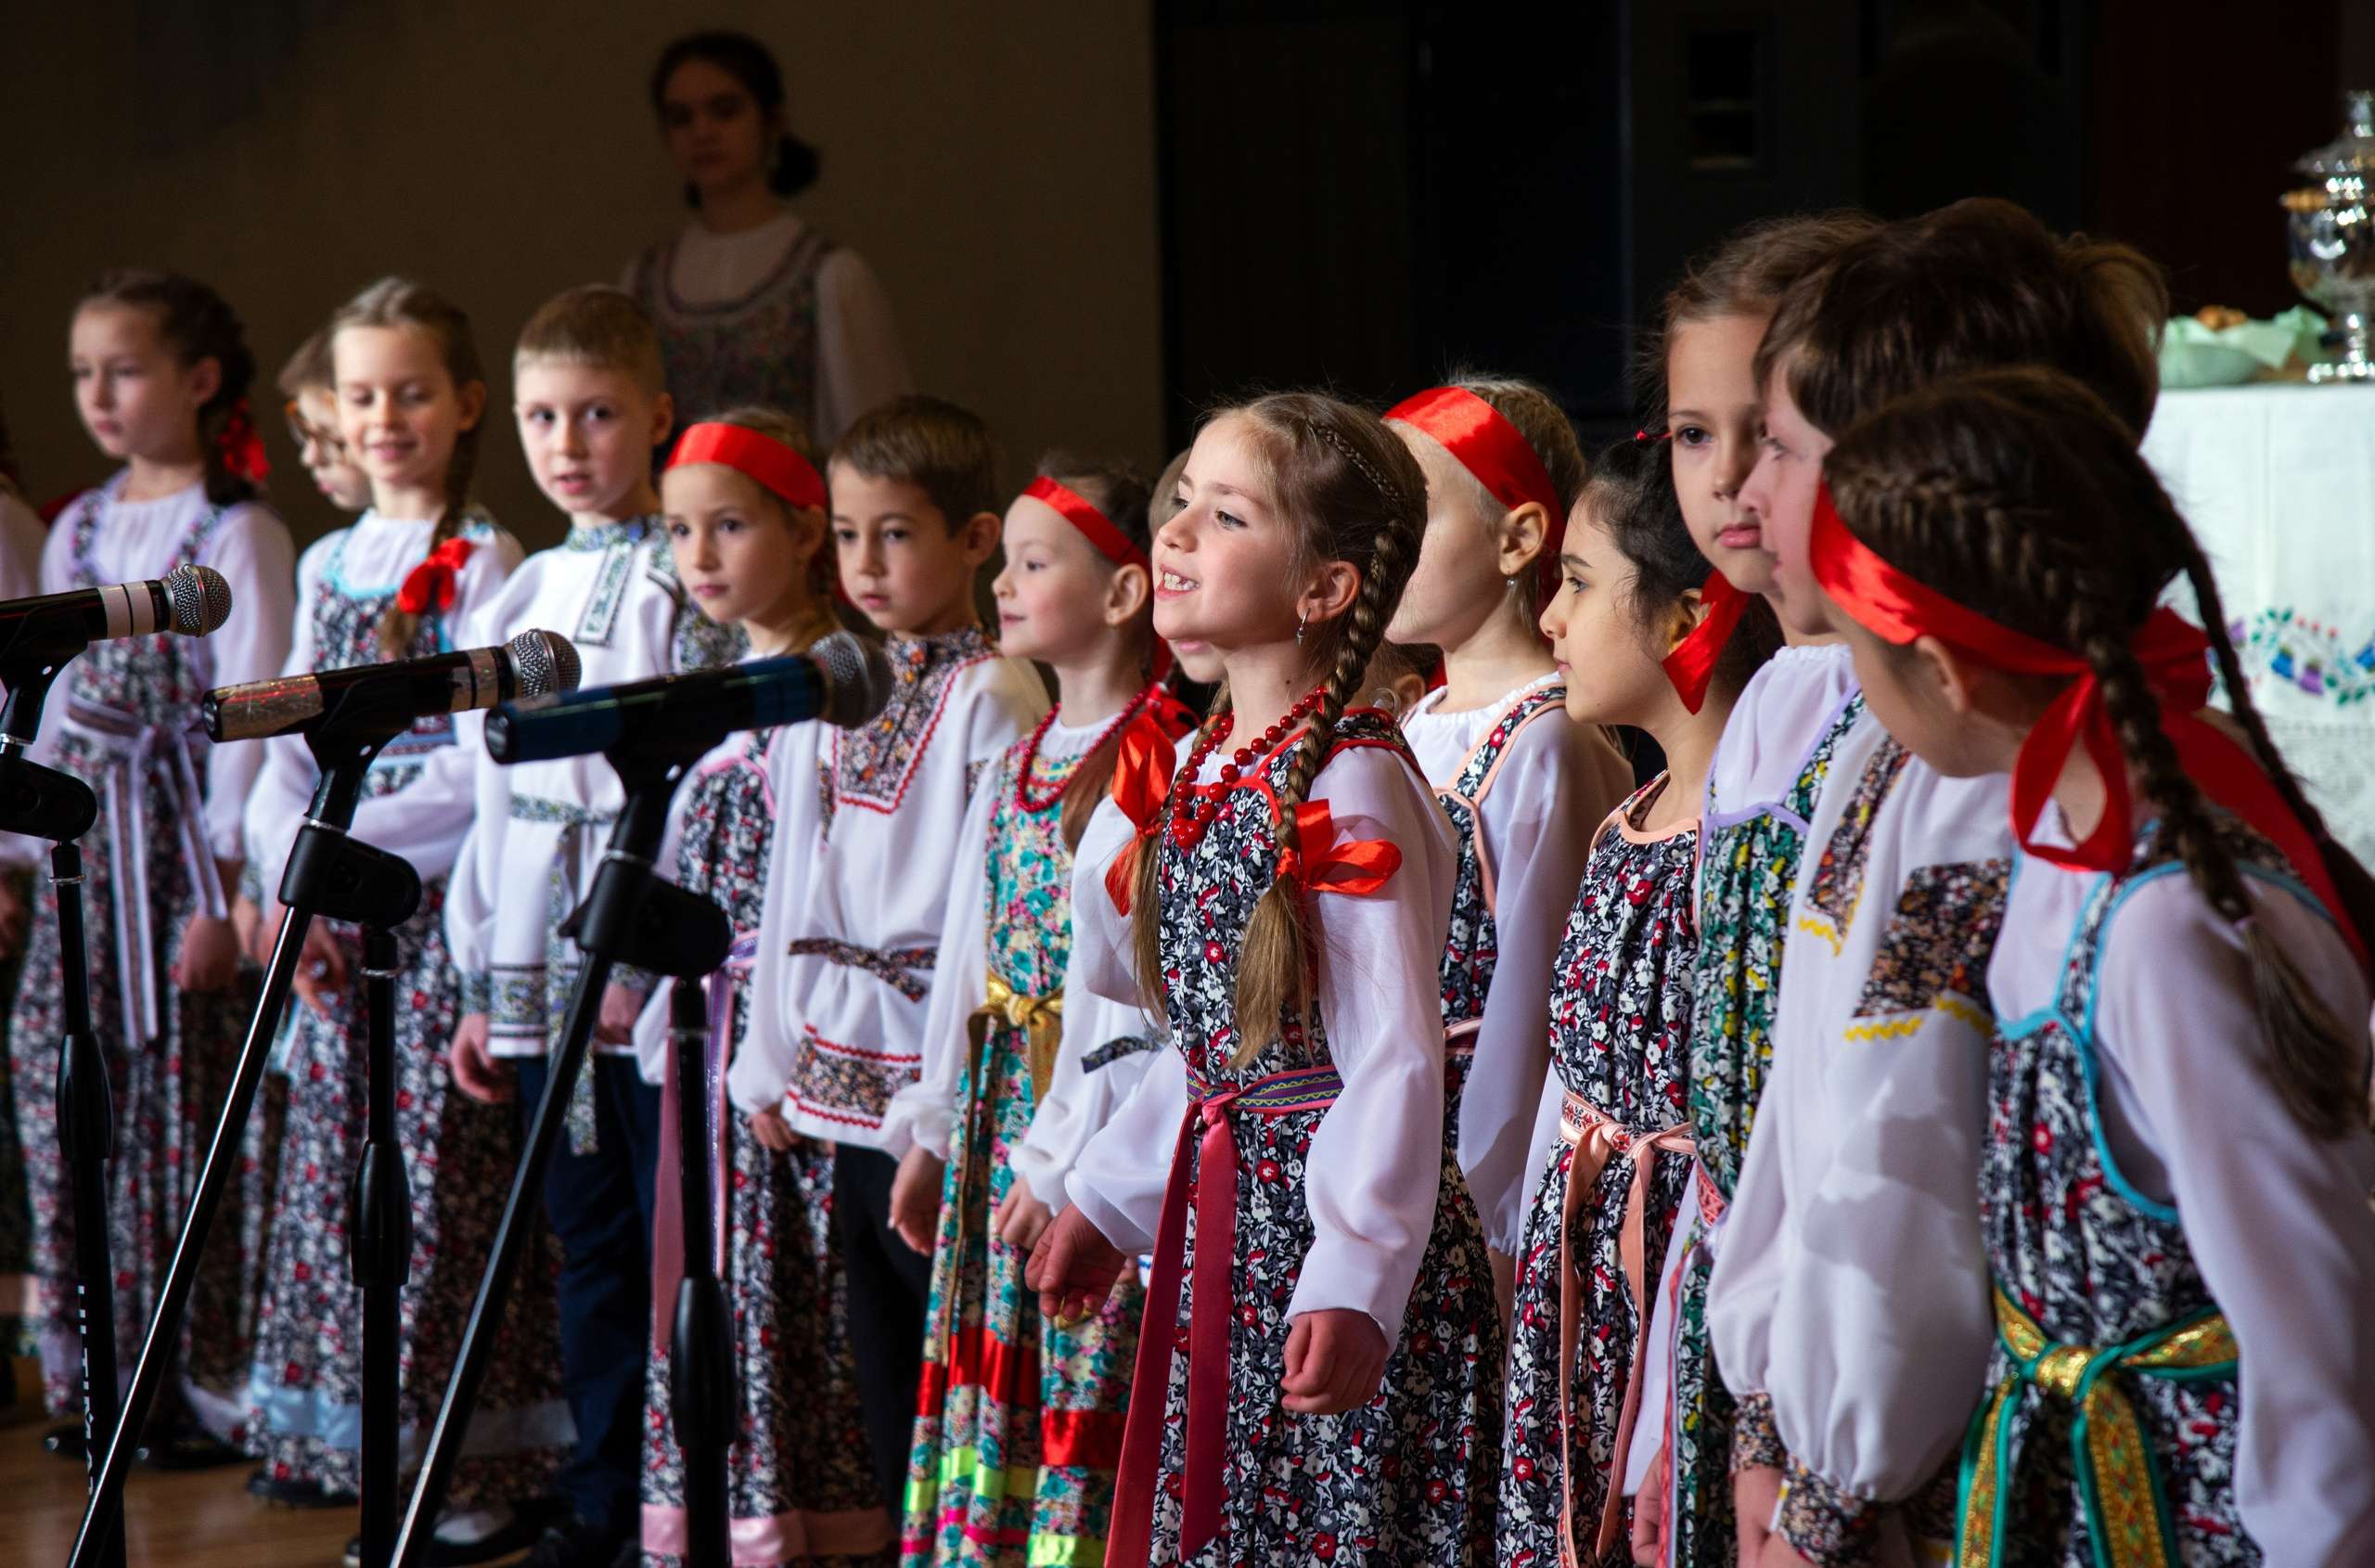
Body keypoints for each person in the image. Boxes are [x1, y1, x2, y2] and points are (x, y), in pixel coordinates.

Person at [1815, 366, 2375, 1564]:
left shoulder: (2167, 930)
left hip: (2188, 1509)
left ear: (1950, 672)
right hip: (2059, 1488)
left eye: (1857, 650)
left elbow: (2314, 1318)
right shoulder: (2060, 862)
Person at [1700, 199, 2175, 1564]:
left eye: (1779, 447)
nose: (1743, 495)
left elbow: (1907, 1157)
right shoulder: (1881, 746)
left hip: (1946, 1465)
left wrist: (1829, 1476)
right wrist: (1771, 1423)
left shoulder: (1985, 785)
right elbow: (1807, 1103)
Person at [1032, 392, 1503, 1565]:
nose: (1179, 531)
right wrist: (1109, 1195)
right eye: (1182, 500)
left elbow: (1391, 1057)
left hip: (1314, 1247)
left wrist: (1354, 1271)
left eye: (1226, 513)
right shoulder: (1207, 766)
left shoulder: (1351, 783)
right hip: (1224, 1234)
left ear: (1324, 589)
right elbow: (1219, 1057)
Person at [238, 280, 566, 1564]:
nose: (385, 418)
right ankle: (362, 1443)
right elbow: (274, 739)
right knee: (342, 1184)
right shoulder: (325, 563)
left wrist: (344, 853)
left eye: (412, 392)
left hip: (424, 917)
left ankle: (467, 1466)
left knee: (433, 1185)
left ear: (466, 405)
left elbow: (471, 765)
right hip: (331, 911)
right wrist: (291, 873)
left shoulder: (485, 563)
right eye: (364, 395)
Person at [442, 283, 738, 1568]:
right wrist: (476, 979)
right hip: (536, 964)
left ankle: (681, 1502)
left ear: (658, 415)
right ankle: (601, 1491)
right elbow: (489, 794)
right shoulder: (517, 590)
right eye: (545, 415)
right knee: (586, 1237)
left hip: (635, 966)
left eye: (600, 412)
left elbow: (689, 776)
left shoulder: (684, 576)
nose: (569, 442)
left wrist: (634, 946)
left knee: (667, 1230)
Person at [1613, 212, 1880, 1568]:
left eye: (1760, 437)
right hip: (1737, 1278)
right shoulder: (1774, 697)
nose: (1726, 485)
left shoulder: (1894, 714)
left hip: (1852, 1323)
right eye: (1693, 435)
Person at [734, 394, 1046, 1513]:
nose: (865, 561)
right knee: (866, 1345)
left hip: (929, 1077)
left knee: (934, 1348)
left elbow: (985, 921)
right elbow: (789, 884)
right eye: (848, 530)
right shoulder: (839, 679)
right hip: (831, 1063)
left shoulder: (994, 695)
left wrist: (933, 1111)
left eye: (897, 533)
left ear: (975, 539)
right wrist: (766, 1057)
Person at [4, 268, 295, 1460]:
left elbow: (252, 708)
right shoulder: (75, 525)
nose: (100, 395)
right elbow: (49, 705)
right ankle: (89, 1370)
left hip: (174, 864)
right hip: (84, 847)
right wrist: (20, 853)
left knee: (171, 1113)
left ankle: (176, 1385)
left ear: (200, 379)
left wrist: (229, 887)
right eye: (83, 373)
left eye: (124, 369)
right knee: (57, 1097)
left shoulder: (237, 532)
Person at [885, 455, 1187, 1566]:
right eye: (1001, 562)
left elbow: (1144, 994)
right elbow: (964, 960)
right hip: (997, 1097)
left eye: (1034, 561)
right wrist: (932, 1124)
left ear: (1122, 590)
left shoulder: (1159, 757)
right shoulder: (1016, 760)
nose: (1002, 585)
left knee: (1082, 1347)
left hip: (1095, 1106)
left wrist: (1073, 1157)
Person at [1496, 435, 1778, 1567]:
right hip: (1580, 1293)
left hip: (1682, 1286)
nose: (1550, 619)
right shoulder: (1635, 815)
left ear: (1683, 615)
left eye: (1574, 583)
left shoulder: (1745, 846)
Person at [625, 408, 889, 1564]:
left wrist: (780, 1052)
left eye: (728, 525)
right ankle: (729, 1517)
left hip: (791, 1053)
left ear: (803, 530)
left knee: (799, 1293)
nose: (701, 556)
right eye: (681, 531)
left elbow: (831, 900)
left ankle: (810, 1523)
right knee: (714, 1278)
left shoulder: (835, 692)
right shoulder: (714, 682)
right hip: (711, 1043)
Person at [1381, 374, 1630, 1309]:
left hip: (1462, 1179)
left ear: (1518, 536)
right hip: (1382, 1155)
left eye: (1410, 513)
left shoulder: (1545, 741)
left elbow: (1534, 1013)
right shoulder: (1413, 724)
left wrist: (1488, 1214)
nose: (1380, 544)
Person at [626, 29, 911, 441]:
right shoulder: (643, 280)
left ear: (772, 120)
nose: (702, 131)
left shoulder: (829, 276)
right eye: (681, 118)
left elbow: (877, 447)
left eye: (724, 110)